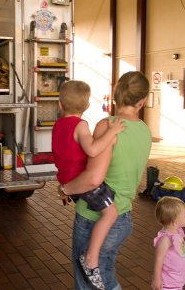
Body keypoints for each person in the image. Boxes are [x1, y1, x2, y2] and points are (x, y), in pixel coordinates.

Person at [58, 71, 152, 290]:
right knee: (105, 276)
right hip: (122, 218)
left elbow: (93, 179)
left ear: (116, 94)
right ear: (143, 101)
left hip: (94, 216)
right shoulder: (145, 131)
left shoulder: (107, 126)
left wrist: (65, 189)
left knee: (87, 281)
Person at [52, 80, 125, 290]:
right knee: (111, 213)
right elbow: (93, 150)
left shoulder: (58, 125)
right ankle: (91, 259)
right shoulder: (80, 125)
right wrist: (112, 132)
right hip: (85, 183)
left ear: (60, 104)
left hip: (66, 180)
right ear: (86, 107)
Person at [152, 196, 185, 290]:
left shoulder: (178, 231)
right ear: (175, 222)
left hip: (176, 280)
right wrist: (157, 279)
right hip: (167, 283)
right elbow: (158, 259)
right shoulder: (165, 239)